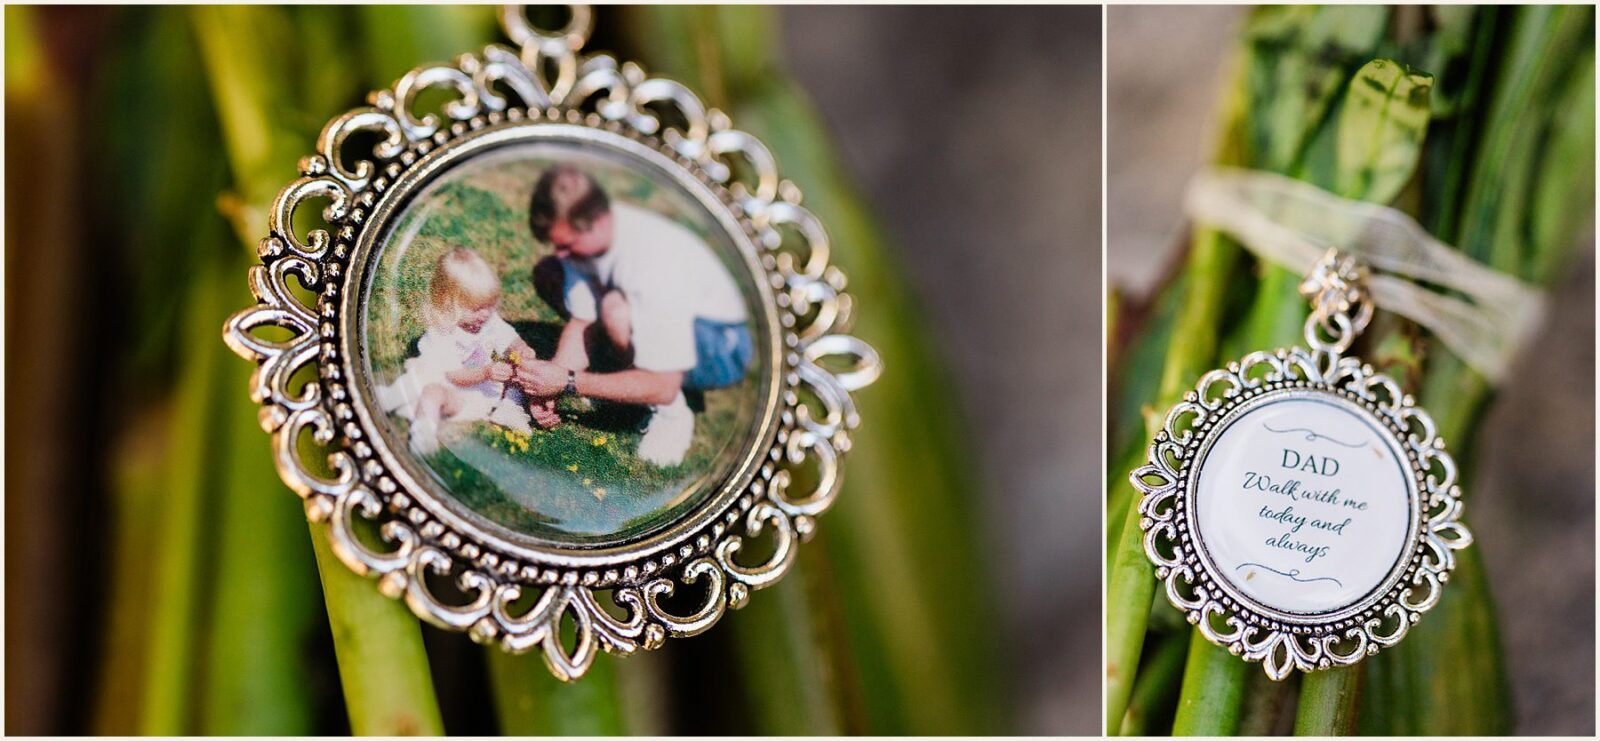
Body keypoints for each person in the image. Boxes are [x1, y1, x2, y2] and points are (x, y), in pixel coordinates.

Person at [514, 165, 753, 466]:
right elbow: (581, 322)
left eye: (567, 244)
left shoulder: (649, 263)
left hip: (719, 346)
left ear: (598, 221)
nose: (561, 252)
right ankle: (624, 369)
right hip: (667, 313)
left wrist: (569, 382)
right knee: (551, 272)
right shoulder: (588, 242)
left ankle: (672, 413)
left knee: (616, 310)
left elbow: (663, 384)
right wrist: (550, 387)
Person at [376, 247, 534, 455]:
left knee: (521, 372)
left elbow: (509, 338)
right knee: (429, 390)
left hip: (481, 395)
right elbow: (454, 376)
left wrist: (520, 348)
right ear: (449, 303)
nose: (485, 314)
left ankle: (511, 408)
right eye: (477, 308)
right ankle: (422, 432)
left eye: (490, 305)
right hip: (451, 388)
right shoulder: (442, 331)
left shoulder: (488, 320)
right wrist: (486, 372)